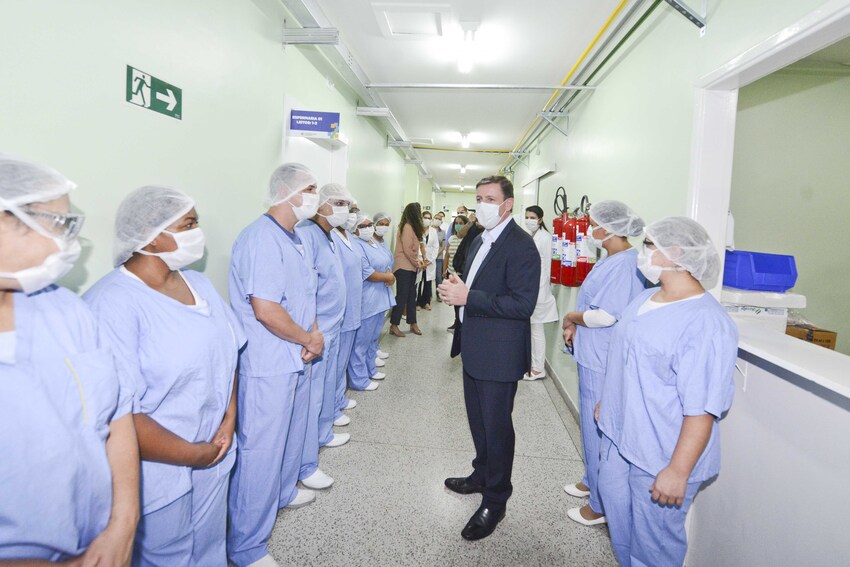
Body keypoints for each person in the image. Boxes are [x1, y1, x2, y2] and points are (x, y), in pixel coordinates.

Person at [84, 185, 244, 566]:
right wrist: (192, 453)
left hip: (215, 449)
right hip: (156, 469)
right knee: (165, 556)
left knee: (208, 548)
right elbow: (118, 412)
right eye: (188, 224)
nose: (197, 233)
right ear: (152, 236)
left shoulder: (198, 284)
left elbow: (230, 353)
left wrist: (229, 419)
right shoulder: (111, 304)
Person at [0, 155, 139, 563]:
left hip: (100, 540)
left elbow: (118, 415)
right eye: (58, 223)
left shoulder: (65, 309)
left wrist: (122, 526)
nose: (69, 240)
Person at [596, 216, 737, 567]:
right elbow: (628, 360)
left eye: (648, 245)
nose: (642, 252)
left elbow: (702, 408)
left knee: (653, 548)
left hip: (662, 452)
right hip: (621, 436)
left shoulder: (706, 323)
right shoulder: (645, 298)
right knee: (622, 528)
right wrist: (608, 402)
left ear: (675, 253)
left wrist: (677, 470)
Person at [227, 163, 323, 567]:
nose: (315, 197)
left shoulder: (296, 238)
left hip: (296, 354)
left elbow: (305, 293)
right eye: (311, 189)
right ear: (288, 192)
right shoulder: (260, 239)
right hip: (268, 361)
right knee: (261, 450)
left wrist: (312, 334)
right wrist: (306, 338)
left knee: (289, 435)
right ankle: (246, 547)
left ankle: (282, 493)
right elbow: (265, 309)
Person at [438, 176, 539, 541]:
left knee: (497, 429)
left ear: (508, 204)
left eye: (490, 198)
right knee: (479, 422)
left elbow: (522, 304)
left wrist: (469, 298)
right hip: (475, 348)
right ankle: (481, 474)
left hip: (499, 353)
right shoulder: (481, 237)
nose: (482, 204)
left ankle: (496, 500)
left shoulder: (521, 245)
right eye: (479, 198)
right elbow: (479, 284)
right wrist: (458, 287)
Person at [560, 200, 646, 528]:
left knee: (600, 431)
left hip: (603, 359)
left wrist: (571, 316)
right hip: (592, 352)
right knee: (591, 428)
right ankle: (590, 480)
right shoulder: (610, 260)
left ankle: (599, 505)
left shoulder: (626, 265)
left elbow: (606, 315)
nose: (588, 229)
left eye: (592, 223)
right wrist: (574, 325)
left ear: (608, 229)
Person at [295, 183, 354, 495]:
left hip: (331, 326)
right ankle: (305, 465)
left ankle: (321, 435)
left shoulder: (327, 235)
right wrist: (313, 330)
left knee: (324, 388)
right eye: (339, 202)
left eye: (346, 203)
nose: (345, 209)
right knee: (311, 397)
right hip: (317, 330)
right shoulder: (307, 233)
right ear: (321, 205)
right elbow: (305, 288)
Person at [349, 212, 396, 391]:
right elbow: (367, 272)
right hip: (367, 299)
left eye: (370, 225)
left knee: (372, 339)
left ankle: (370, 369)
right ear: (355, 229)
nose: (368, 228)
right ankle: (359, 379)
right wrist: (388, 276)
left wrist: (388, 274)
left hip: (380, 298)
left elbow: (386, 261)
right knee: (361, 342)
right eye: (363, 226)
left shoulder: (373, 243)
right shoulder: (356, 245)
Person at [522, 205, 559, 381]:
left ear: (540, 219)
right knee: (531, 328)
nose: (529, 220)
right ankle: (532, 365)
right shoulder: (533, 236)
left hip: (539, 290)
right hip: (530, 288)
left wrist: (540, 289)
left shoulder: (545, 238)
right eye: (527, 217)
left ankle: (538, 369)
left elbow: (548, 267)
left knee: (536, 329)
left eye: (532, 217)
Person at [389, 202, 425, 337]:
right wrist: (417, 263)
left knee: (411, 296)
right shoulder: (407, 227)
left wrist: (417, 262)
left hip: (409, 266)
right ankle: (394, 325)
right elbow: (407, 250)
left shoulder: (411, 227)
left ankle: (413, 322)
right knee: (402, 296)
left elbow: (413, 250)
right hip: (403, 266)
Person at [372, 212, 394, 363]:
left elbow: (388, 260)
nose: (384, 227)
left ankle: (374, 348)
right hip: (373, 287)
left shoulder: (383, 242)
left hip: (384, 284)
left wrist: (389, 275)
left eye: (387, 225)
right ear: (374, 224)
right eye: (381, 224)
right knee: (371, 324)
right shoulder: (369, 241)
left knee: (379, 321)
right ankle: (370, 354)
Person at [443, 214, 469, 332]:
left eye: (461, 223)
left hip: (462, 275)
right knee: (454, 301)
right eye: (456, 223)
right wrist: (444, 271)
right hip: (451, 273)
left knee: (461, 301)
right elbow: (447, 256)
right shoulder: (451, 239)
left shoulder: (467, 240)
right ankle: (456, 322)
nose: (458, 226)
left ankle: (461, 324)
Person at [416, 209, 439, 311]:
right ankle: (417, 303)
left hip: (430, 260)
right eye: (425, 218)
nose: (427, 220)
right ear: (421, 218)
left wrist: (429, 260)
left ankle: (426, 302)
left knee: (428, 282)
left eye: (429, 218)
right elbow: (416, 245)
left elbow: (436, 246)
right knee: (418, 282)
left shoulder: (433, 231)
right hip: (420, 259)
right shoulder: (417, 230)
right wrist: (422, 258)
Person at [433, 210, 447, 294]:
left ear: (441, 222)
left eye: (439, 219)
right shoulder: (428, 230)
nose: (437, 220)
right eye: (436, 218)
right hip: (428, 258)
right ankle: (428, 295)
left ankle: (439, 294)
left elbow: (443, 245)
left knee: (438, 276)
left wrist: (436, 254)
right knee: (428, 278)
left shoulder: (442, 232)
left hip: (438, 257)